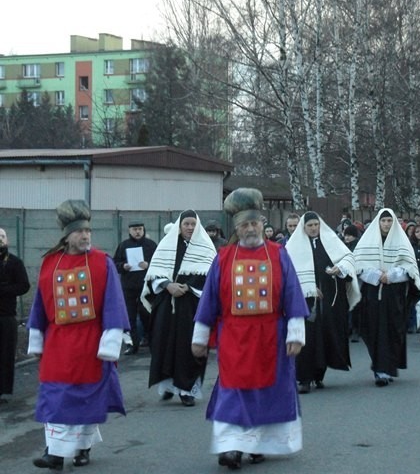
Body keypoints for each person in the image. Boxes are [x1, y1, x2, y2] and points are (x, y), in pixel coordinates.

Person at [190, 188, 308, 470]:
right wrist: (200, 337)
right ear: (237, 228)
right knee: (234, 390)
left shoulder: (279, 255)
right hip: (235, 338)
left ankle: (258, 445)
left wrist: (296, 332)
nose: (251, 228)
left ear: (263, 224)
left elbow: (292, 294)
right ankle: (231, 447)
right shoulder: (223, 258)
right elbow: (210, 299)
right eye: (245, 224)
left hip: (272, 338)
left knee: (269, 392)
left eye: (255, 223)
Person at [27, 199, 130, 470]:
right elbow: (40, 303)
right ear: (67, 235)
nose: (85, 236)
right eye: (79, 232)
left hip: (90, 344)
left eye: (88, 231)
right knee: (55, 396)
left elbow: (113, 302)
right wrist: (36, 338)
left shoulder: (102, 262)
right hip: (58, 345)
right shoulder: (50, 263)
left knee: (85, 400)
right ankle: (56, 453)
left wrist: (110, 341)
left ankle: (81, 446)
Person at [141, 210, 216, 407]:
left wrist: (188, 287)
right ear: (179, 226)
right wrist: (168, 285)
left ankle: (186, 389)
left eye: (193, 224)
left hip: (192, 305)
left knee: (188, 346)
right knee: (163, 344)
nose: (190, 228)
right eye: (186, 224)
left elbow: (211, 276)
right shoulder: (166, 245)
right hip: (167, 303)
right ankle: (167, 385)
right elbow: (154, 273)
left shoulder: (206, 248)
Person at [286, 212, 361, 393]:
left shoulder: (331, 242)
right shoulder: (292, 248)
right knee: (307, 339)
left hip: (329, 298)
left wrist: (340, 269)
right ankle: (304, 378)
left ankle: (319, 374)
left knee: (325, 335)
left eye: (315, 225)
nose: (313, 228)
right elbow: (288, 273)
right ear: (303, 227)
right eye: (309, 225)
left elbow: (348, 258)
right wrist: (309, 288)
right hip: (304, 301)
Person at [353, 208, 420, 387]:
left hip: (394, 295)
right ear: (378, 222)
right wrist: (376, 275)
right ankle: (380, 368)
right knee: (374, 331)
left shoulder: (402, 243)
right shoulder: (367, 242)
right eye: (383, 221)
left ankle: (387, 367)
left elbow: (410, 268)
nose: (386, 224)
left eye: (389, 221)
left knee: (392, 330)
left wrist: (392, 275)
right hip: (372, 295)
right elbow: (358, 266)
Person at [113, 221, 157, 355]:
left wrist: (149, 265)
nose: (137, 232)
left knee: (148, 314)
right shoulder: (123, 246)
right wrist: (123, 266)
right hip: (129, 287)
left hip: (147, 287)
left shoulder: (151, 245)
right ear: (129, 231)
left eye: (139, 229)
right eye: (134, 229)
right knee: (130, 316)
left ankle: (152, 341)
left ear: (143, 230)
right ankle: (133, 344)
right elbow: (115, 263)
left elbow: (160, 263)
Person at [0, 228, 30, 404]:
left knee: (5, 354)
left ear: (7, 240)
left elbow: (24, 285)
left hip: (7, 316)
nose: (0, 240)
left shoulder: (15, 262)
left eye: (2, 237)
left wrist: (5, 290)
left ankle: (3, 390)